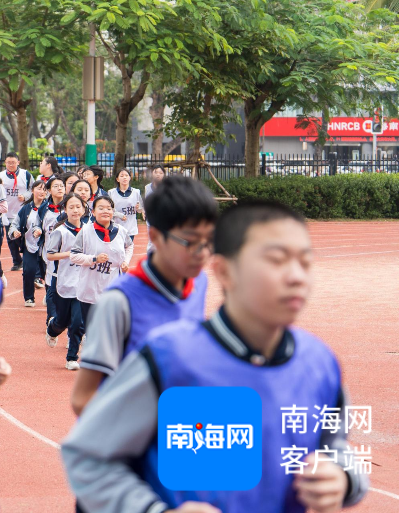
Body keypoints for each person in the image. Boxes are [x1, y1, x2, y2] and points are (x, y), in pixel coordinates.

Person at [61, 201, 370, 513]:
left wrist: (344, 478)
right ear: (225, 271)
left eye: (305, 262)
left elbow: (335, 446)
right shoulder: (169, 358)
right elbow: (88, 455)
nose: (296, 276)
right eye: (276, 261)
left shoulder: (320, 364)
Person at [71, 175, 217, 415]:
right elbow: (82, 399)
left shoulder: (198, 283)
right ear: (157, 236)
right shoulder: (118, 302)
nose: (203, 253)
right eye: (191, 241)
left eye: (209, 240)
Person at [63, 195, 130, 370]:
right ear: (93, 212)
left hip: (111, 288)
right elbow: (74, 255)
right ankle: (74, 357)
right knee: (84, 325)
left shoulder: (121, 232)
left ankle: (104, 361)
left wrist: (126, 262)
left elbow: (129, 247)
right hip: (89, 288)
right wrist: (93, 259)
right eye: (101, 208)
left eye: (109, 208)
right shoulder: (86, 232)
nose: (105, 211)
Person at [44, 193, 87, 344]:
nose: (75, 210)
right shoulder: (60, 231)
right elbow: (50, 255)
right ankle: (53, 328)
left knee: (77, 321)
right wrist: (70, 254)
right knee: (62, 321)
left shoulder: (88, 230)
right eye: (71, 207)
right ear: (65, 210)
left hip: (82, 280)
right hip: (63, 278)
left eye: (78, 207)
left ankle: (72, 355)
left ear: (84, 209)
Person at [8, 180, 47, 307]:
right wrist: (15, 232)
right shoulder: (25, 208)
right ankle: (29, 297)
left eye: (44, 189)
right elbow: (15, 224)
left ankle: (49, 295)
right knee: (28, 270)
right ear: (32, 191)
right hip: (29, 244)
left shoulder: (49, 208)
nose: (42, 191)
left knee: (48, 271)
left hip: (46, 245)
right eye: (39, 188)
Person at [0, 152, 32, 272]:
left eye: (13, 162)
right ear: (5, 163)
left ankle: (26, 259)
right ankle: (17, 261)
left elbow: (33, 190)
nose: (11, 165)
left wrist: (25, 196)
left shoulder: (26, 174)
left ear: (18, 162)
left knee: (23, 237)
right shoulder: (1, 175)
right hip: (8, 213)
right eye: (8, 162)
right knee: (11, 238)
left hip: (23, 212)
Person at [38, 175, 68, 306]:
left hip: (66, 250)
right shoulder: (44, 208)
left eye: (62, 186)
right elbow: (37, 224)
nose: (60, 188)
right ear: (49, 190)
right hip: (48, 249)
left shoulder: (70, 205)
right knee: (49, 275)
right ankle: (50, 298)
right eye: (56, 186)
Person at [108, 168, 145, 263]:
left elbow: (140, 209)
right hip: (116, 227)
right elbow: (109, 210)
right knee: (118, 251)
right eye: (121, 175)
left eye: (126, 175)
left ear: (130, 178)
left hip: (130, 228)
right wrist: (120, 215)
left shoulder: (136, 192)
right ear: (117, 179)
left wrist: (138, 208)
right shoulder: (111, 192)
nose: (124, 177)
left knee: (126, 252)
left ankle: (123, 270)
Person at [144, 164, 166, 255]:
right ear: (152, 174)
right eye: (156, 172)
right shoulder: (147, 187)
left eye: (160, 173)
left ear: (164, 175)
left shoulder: (167, 187)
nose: (158, 175)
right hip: (152, 219)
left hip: (164, 219)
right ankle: (150, 260)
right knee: (152, 243)